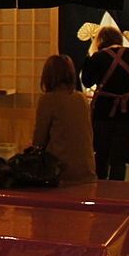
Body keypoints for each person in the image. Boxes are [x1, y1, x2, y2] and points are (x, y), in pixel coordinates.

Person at [80, 26, 129, 181]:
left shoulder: (98, 57)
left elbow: (86, 81)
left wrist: (88, 58)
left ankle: (99, 193)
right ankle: (117, 194)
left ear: (100, 40)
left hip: (103, 110)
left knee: (101, 155)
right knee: (120, 159)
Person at [32, 54, 96, 185]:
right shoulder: (81, 98)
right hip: (87, 170)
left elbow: (39, 139)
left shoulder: (48, 99)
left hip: (60, 171)